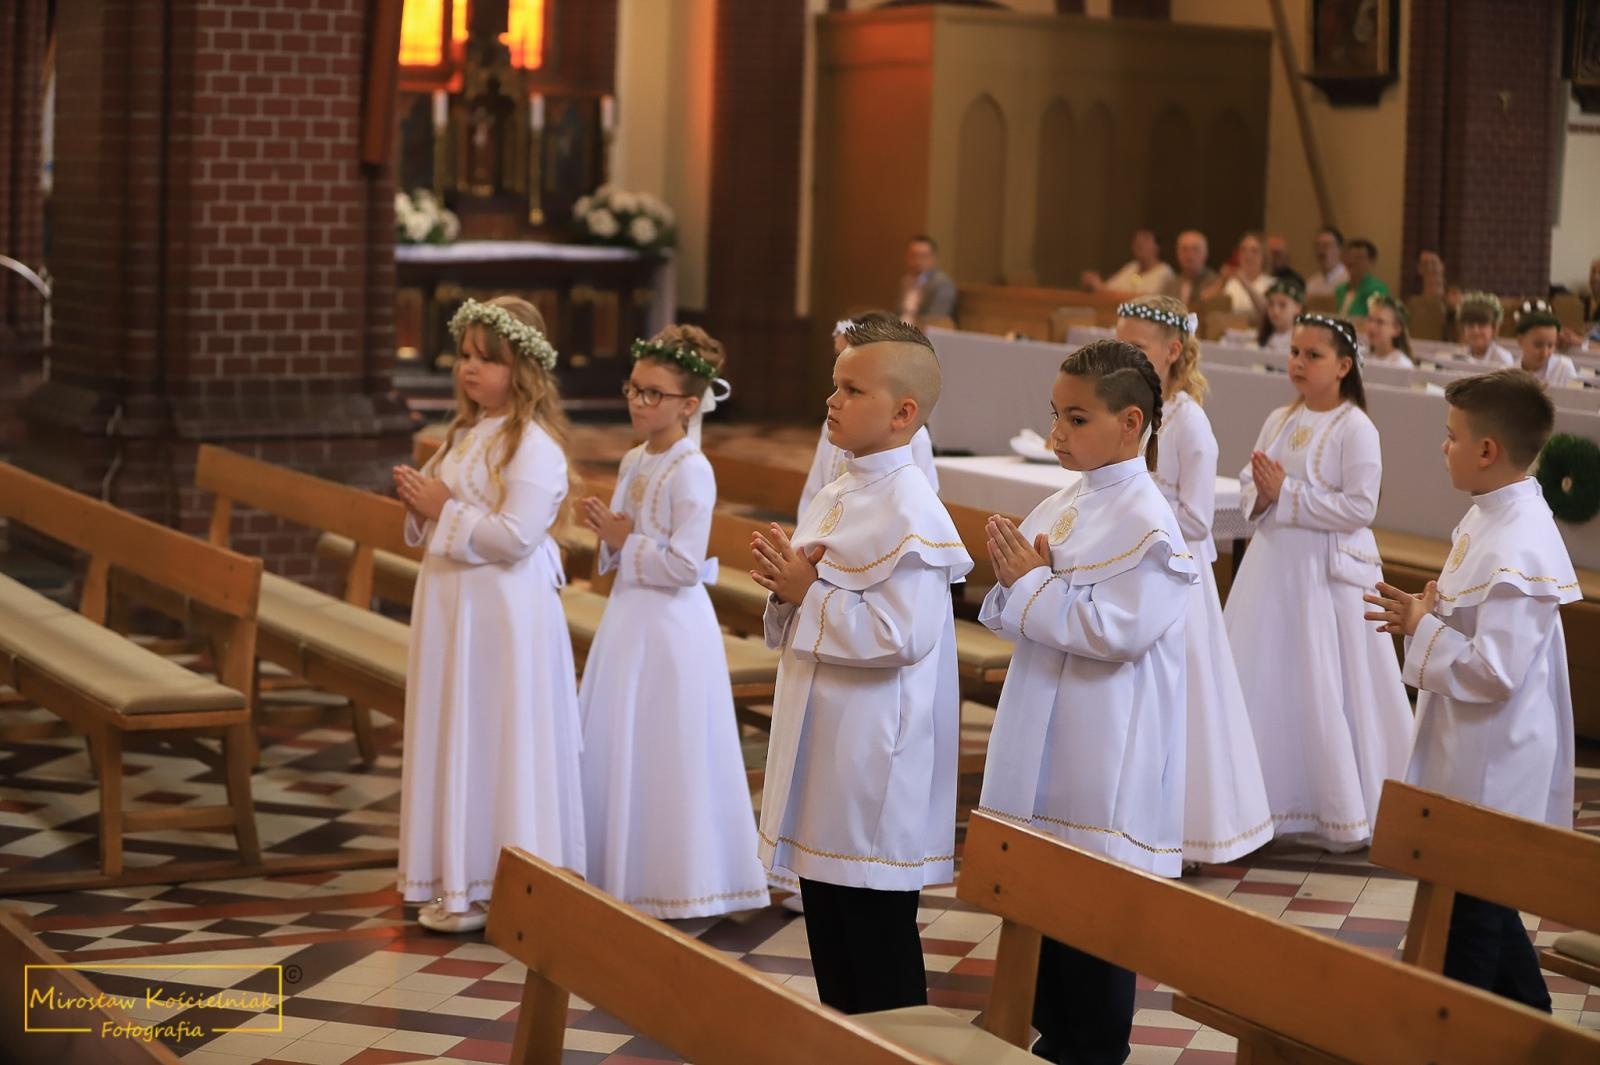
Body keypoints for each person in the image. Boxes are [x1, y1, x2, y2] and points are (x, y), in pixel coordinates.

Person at [978, 338, 1197, 1065]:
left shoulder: (1150, 525)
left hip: (1105, 748)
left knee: (1093, 938)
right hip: (1046, 723)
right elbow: (1022, 607)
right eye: (1055, 416)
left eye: (1075, 418)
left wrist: (1033, 583)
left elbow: (1117, 633)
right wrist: (1020, 581)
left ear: (1131, 423)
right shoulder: (1069, 499)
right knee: (1046, 931)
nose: (1055, 435)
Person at [753, 317, 972, 1015]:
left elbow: (900, 634)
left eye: (852, 388)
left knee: (877, 952)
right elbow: (812, 591)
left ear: (904, 412)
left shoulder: (910, 505)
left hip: (873, 759)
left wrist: (804, 592)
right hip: (831, 753)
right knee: (832, 935)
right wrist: (790, 589)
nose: (832, 400)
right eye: (834, 384)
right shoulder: (843, 487)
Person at [1364, 369, 1576, 1012]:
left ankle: (1453, 1033)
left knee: (1467, 935)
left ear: (1487, 451)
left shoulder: (1517, 542)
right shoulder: (1490, 516)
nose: (1443, 446)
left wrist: (1424, 625)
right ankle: (1543, 1039)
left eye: (1450, 435)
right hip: (1472, 754)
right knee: (1483, 918)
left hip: (1493, 767)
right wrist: (1431, 615)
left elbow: (1496, 671)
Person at [393, 296, 585, 933]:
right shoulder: (464, 434)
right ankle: (454, 873)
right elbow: (443, 515)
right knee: (455, 729)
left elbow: (513, 538)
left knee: (495, 736)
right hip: (453, 606)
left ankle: (498, 878)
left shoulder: (534, 446)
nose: (469, 369)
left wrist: (442, 505)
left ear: (523, 368)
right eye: (465, 355)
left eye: (487, 359)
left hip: (502, 614)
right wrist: (422, 506)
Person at [576, 326, 769, 921]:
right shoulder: (636, 458)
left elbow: (686, 566)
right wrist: (612, 539)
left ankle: (681, 886)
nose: (638, 402)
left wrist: (623, 539)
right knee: (619, 741)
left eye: (653, 394)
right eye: (634, 389)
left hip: (671, 630)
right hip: (629, 620)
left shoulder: (692, 469)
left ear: (689, 404)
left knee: (667, 751)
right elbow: (629, 542)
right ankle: (617, 876)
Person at [1223, 313, 1413, 851]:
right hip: (1273, 568)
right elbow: (1248, 481)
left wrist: (1286, 493)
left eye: (1313, 355)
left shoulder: (1357, 428)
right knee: (1267, 676)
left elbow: (1361, 507)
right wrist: (1262, 493)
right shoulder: (1281, 417)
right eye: (1294, 353)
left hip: (1326, 578)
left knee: (1327, 681)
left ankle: (1340, 808)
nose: (1299, 364)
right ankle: (1260, 805)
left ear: (1344, 365)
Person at [1115, 298, 1273, 867]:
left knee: (1180, 702)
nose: (1121, 358)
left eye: (1135, 348)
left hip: (1178, 580)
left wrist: (1136, 493)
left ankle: (1181, 829)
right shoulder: (1133, 411)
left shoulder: (1190, 424)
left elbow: (1198, 520)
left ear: (1172, 351)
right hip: (1136, 574)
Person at [799, 312, 939, 516]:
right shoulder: (833, 425)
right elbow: (813, 498)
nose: (831, 399)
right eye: (838, 356)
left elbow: (922, 510)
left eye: (853, 389)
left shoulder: (915, 443)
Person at [1207, 232, 1274, 326]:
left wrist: (1244, 282)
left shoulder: (1271, 283)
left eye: (1254, 250)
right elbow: (1204, 302)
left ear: (1263, 256)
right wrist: (1221, 281)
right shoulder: (1231, 283)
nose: (1248, 255)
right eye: (1243, 250)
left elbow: (1266, 312)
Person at [1080, 228, 1174, 295]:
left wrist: (1100, 288)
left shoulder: (1164, 272)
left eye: (1145, 240)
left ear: (1157, 247)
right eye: (1136, 241)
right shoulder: (1132, 267)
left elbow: (1144, 298)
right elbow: (1110, 287)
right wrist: (1094, 284)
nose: (1139, 244)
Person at [1510, 299, 1576, 389]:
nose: (1545, 353)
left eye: (1551, 345)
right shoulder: (1509, 374)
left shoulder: (1563, 367)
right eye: (1538, 345)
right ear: (1520, 340)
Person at [898, 234, 957, 324]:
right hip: (900, 331)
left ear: (933, 258)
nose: (917, 261)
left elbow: (936, 319)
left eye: (923, 256)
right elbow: (898, 312)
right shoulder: (906, 280)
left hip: (925, 333)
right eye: (913, 255)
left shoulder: (942, 284)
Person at [1454, 292, 1516, 367]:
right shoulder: (1458, 355)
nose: (1475, 331)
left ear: (1494, 328)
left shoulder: (1503, 359)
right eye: (1470, 325)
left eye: (1482, 325)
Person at [1334, 238, 1389, 318]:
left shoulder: (1377, 289)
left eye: (1358, 258)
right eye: (1349, 256)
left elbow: (1375, 319)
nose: (1352, 261)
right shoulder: (1340, 290)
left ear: (1371, 262)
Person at [1162, 229, 1217, 307]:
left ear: (1206, 253)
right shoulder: (1171, 284)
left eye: (1195, 249)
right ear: (1177, 253)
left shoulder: (1215, 283)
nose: (1189, 255)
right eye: (1184, 249)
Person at [1363, 295, 1415, 368]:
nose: (1371, 327)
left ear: (1396, 329)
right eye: (1370, 319)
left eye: (1380, 322)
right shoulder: (1360, 357)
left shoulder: (1401, 364)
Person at [1256, 277, 1304, 352]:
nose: (1275, 311)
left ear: (1298, 308)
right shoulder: (1264, 337)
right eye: (1271, 304)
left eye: (1282, 305)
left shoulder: (1301, 341)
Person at [1304, 226, 1349, 301]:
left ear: (1340, 249)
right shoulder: (1311, 283)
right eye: (1317, 246)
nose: (1321, 251)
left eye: (1326, 246)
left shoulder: (1349, 280)